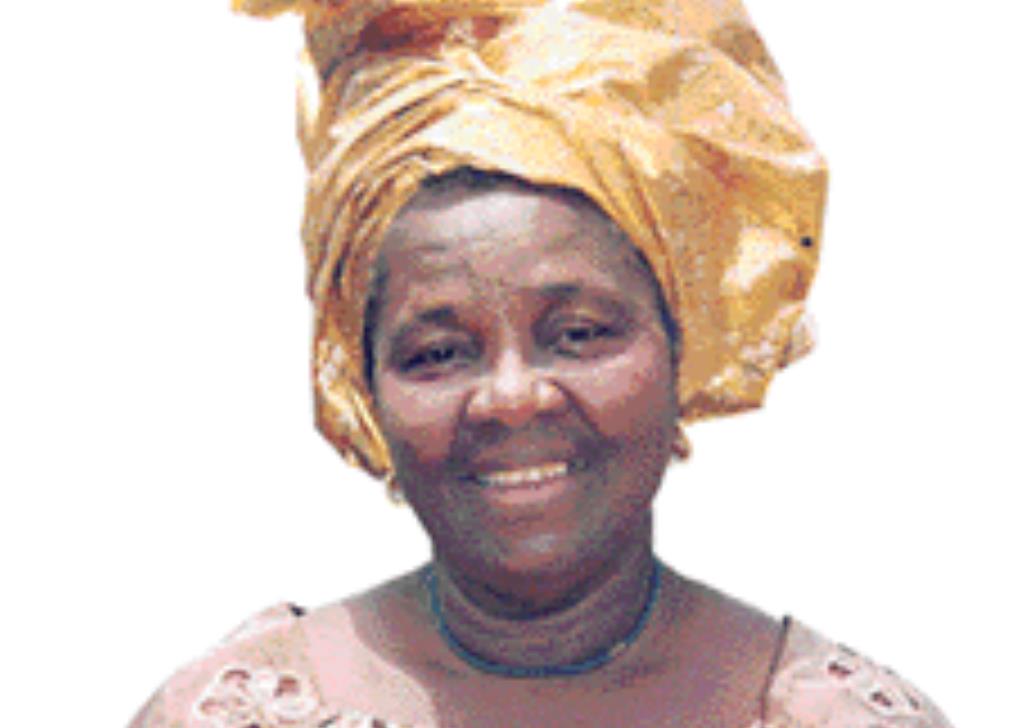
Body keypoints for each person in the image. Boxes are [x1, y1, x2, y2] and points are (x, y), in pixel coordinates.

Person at [129, 1, 953, 726]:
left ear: (683, 350)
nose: (512, 397)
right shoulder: (232, 714)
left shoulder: (834, 717)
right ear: (362, 391)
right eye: (439, 353)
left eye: (580, 334)